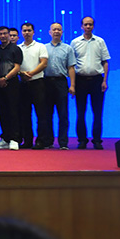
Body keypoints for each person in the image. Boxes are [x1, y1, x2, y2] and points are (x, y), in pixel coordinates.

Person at [71, 16, 110, 150]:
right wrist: (73, 84)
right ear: (81, 26)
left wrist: (105, 80)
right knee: (80, 112)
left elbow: (105, 62)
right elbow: (71, 64)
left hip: (97, 80)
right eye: (86, 24)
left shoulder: (100, 41)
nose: (88, 27)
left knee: (97, 112)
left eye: (90, 24)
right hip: (80, 80)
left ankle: (97, 140)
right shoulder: (75, 42)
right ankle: (82, 140)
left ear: (93, 26)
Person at [44, 22, 76, 150]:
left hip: (61, 82)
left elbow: (71, 67)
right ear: (50, 32)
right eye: (54, 29)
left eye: (59, 29)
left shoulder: (68, 49)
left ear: (62, 32)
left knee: (63, 114)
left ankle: (63, 142)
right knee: (47, 114)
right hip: (46, 82)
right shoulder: (44, 48)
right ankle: (48, 141)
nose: (56, 31)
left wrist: (72, 85)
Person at [19, 22, 50, 149]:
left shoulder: (40, 46)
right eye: (24, 31)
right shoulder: (18, 48)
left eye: (29, 30)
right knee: (25, 114)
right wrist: (22, 74)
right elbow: (15, 66)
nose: (27, 33)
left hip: (38, 83)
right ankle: (27, 140)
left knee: (41, 114)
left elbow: (44, 63)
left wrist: (31, 73)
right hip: (23, 84)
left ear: (33, 32)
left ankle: (41, 140)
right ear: (21, 32)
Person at [0, 26, 23, 150]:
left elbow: (17, 67)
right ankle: (5, 138)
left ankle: (15, 139)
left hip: (12, 83)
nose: (3, 36)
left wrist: (5, 78)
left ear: (9, 35)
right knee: (2, 112)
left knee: (13, 111)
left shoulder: (16, 49)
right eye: (0, 34)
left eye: (5, 33)